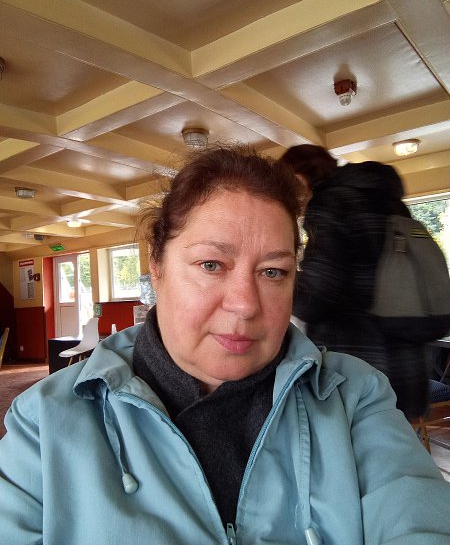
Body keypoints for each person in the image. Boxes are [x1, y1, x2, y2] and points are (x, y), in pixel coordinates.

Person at [1, 146, 449, 545]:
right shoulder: (45, 422)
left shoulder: (356, 396)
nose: (245, 304)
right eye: (212, 264)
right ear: (157, 265)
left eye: (273, 271)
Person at [281, 144, 429, 420]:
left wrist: (277, 276)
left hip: (359, 364)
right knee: (397, 442)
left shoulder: (330, 203)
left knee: (348, 445)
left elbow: (316, 297)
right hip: (406, 360)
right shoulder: (389, 201)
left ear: (300, 176)